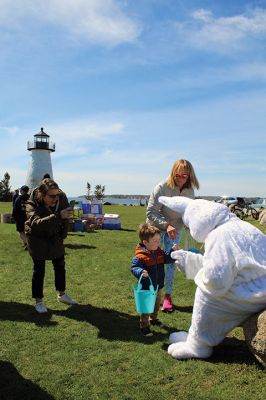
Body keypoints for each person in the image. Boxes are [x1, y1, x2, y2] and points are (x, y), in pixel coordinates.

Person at [146, 159, 199, 312]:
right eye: (178, 174)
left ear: (190, 176)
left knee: (171, 261)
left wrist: (190, 223)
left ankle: (167, 296)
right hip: (155, 228)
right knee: (152, 261)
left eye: (185, 175)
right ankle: (152, 293)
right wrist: (166, 225)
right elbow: (151, 212)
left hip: (175, 229)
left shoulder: (190, 191)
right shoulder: (162, 187)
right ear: (173, 172)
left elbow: (187, 212)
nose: (181, 178)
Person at [25, 179, 77, 313]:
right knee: (39, 269)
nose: (55, 198)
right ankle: (39, 301)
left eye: (57, 195)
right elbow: (35, 224)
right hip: (37, 239)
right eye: (52, 196)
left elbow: (66, 219)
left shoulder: (61, 198)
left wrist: (63, 235)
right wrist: (58, 216)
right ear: (42, 194)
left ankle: (62, 294)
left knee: (60, 266)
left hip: (55, 238)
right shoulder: (32, 203)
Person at [130, 223, 178, 337]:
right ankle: (144, 325)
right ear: (146, 242)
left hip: (158, 285)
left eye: (159, 240)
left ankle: (154, 318)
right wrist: (141, 271)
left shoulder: (158, 251)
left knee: (156, 304)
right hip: (147, 287)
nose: (158, 243)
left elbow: (166, 259)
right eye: (155, 241)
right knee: (146, 307)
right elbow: (134, 268)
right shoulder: (140, 256)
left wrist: (172, 251)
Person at [12, 185, 30, 249]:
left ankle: (27, 244)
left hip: (20, 218)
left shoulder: (19, 198)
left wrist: (14, 216)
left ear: (22, 191)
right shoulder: (30, 198)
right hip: (29, 218)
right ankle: (26, 243)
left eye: (21, 190)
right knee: (27, 232)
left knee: (21, 231)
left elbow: (15, 208)